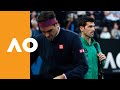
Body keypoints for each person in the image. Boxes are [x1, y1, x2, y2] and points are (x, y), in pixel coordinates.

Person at [30, 11, 88, 79]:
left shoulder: (73, 38)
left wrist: (64, 76)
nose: (47, 35)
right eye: (43, 32)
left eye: (49, 31)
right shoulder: (38, 40)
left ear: (56, 24)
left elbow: (83, 66)